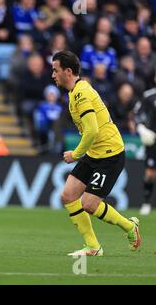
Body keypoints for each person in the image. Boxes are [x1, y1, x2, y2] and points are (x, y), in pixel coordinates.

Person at [51, 50, 141, 256]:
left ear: (68, 71)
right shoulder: (76, 91)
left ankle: (129, 227)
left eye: (55, 70)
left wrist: (75, 154)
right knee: (68, 195)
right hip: (95, 153)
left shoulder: (81, 93)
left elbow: (92, 130)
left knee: (89, 204)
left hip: (110, 154)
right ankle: (93, 246)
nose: (53, 75)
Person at [133, 72, 156, 215]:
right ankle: (146, 203)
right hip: (153, 139)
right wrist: (141, 128)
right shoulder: (149, 96)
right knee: (150, 173)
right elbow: (137, 114)